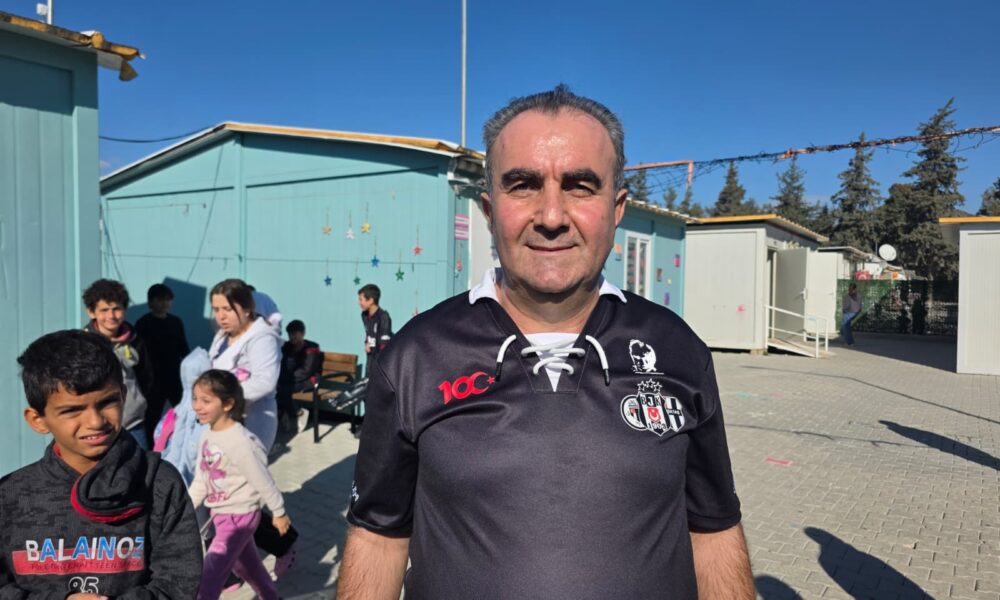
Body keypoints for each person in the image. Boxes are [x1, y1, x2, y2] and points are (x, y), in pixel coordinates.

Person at [338, 85, 754, 599]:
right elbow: (378, 536)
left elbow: (713, 527)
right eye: (523, 185)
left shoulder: (677, 349)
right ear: (489, 209)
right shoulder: (414, 358)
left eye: (580, 186)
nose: (552, 217)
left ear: (617, 207)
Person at [2, 330, 201, 597]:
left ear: (123, 395)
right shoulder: (10, 496)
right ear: (38, 420)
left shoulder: (159, 483)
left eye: (107, 402)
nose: (95, 422)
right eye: (72, 410)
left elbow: (179, 583)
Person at [188, 370, 292, 600]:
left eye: (206, 400)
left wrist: (278, 511)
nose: (197, 406)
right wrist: (182, 508)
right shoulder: (207, 435)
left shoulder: (241, 442)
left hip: (239, 517)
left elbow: (262, 479)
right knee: (247, 567)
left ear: (228, 404)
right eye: (195, 398)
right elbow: (202, 480)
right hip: (221, 515)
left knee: (210, 574)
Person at [208, 278, 282, 452]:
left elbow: (264, 382)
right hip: (223, 417)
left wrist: (221, 397)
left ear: (247, 309)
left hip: (252, 419)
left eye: (227, 309)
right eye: (216, 309)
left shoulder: (262, 338)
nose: (221, 316)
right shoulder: (223, 335)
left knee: (246, 466)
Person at [82, 278, 154, 449]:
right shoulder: (83, 343)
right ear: (91, 312)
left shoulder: (136, 340)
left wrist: (138, 402)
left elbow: (147, 377)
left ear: (125, 310)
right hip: (98, 426)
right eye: (104, 310)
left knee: (140, 465)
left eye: (116, 309)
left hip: (134, 423)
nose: (111, 316)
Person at [136, 283, 191, 444]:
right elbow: (138, 354)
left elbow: (183, 348)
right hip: (153, 380)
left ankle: (185, 443)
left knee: (185, 411)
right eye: (160, 300)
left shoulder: (176, 322)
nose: (164, 303)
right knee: (151, 417)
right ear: (151, 302)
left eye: (167, 300)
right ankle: (151, 449)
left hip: (174, 377)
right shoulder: (143, 323)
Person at [277, 319, 322, 433]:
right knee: (275, 388)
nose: (291, 337)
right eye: (289, 334)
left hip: (309, 381)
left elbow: (307, 371)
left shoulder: (311, 349)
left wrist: (287, 378)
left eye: (294, 334)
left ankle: (299, 412)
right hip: (290, 380)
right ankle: (284, 413)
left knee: (284, 389)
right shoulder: (286, 347)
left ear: (302, 334)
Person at [358, 284, 392, 376]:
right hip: (370, 357)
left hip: (380, 361)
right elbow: (368, 332)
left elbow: (385, 342)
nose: (359, 302)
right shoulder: (364, 315)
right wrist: (366, 343)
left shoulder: (383, 317)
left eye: (361, 299)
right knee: (367, 379)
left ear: (371, 300)